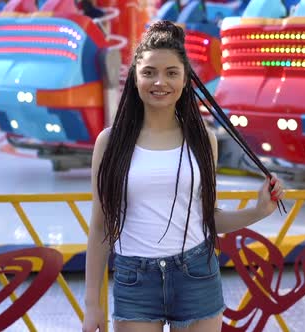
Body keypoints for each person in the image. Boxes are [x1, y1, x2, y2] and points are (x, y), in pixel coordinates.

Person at [82, 20, 285, 332]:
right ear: (135, 76)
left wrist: (259, 211)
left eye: (171, 72)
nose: (159, 81)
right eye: (149, 72)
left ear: (186, 78)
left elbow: (208, 219)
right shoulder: (110, 142)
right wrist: (92, 304)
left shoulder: (204, 140)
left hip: (196, 275)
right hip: (135, 279)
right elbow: (100, 226)